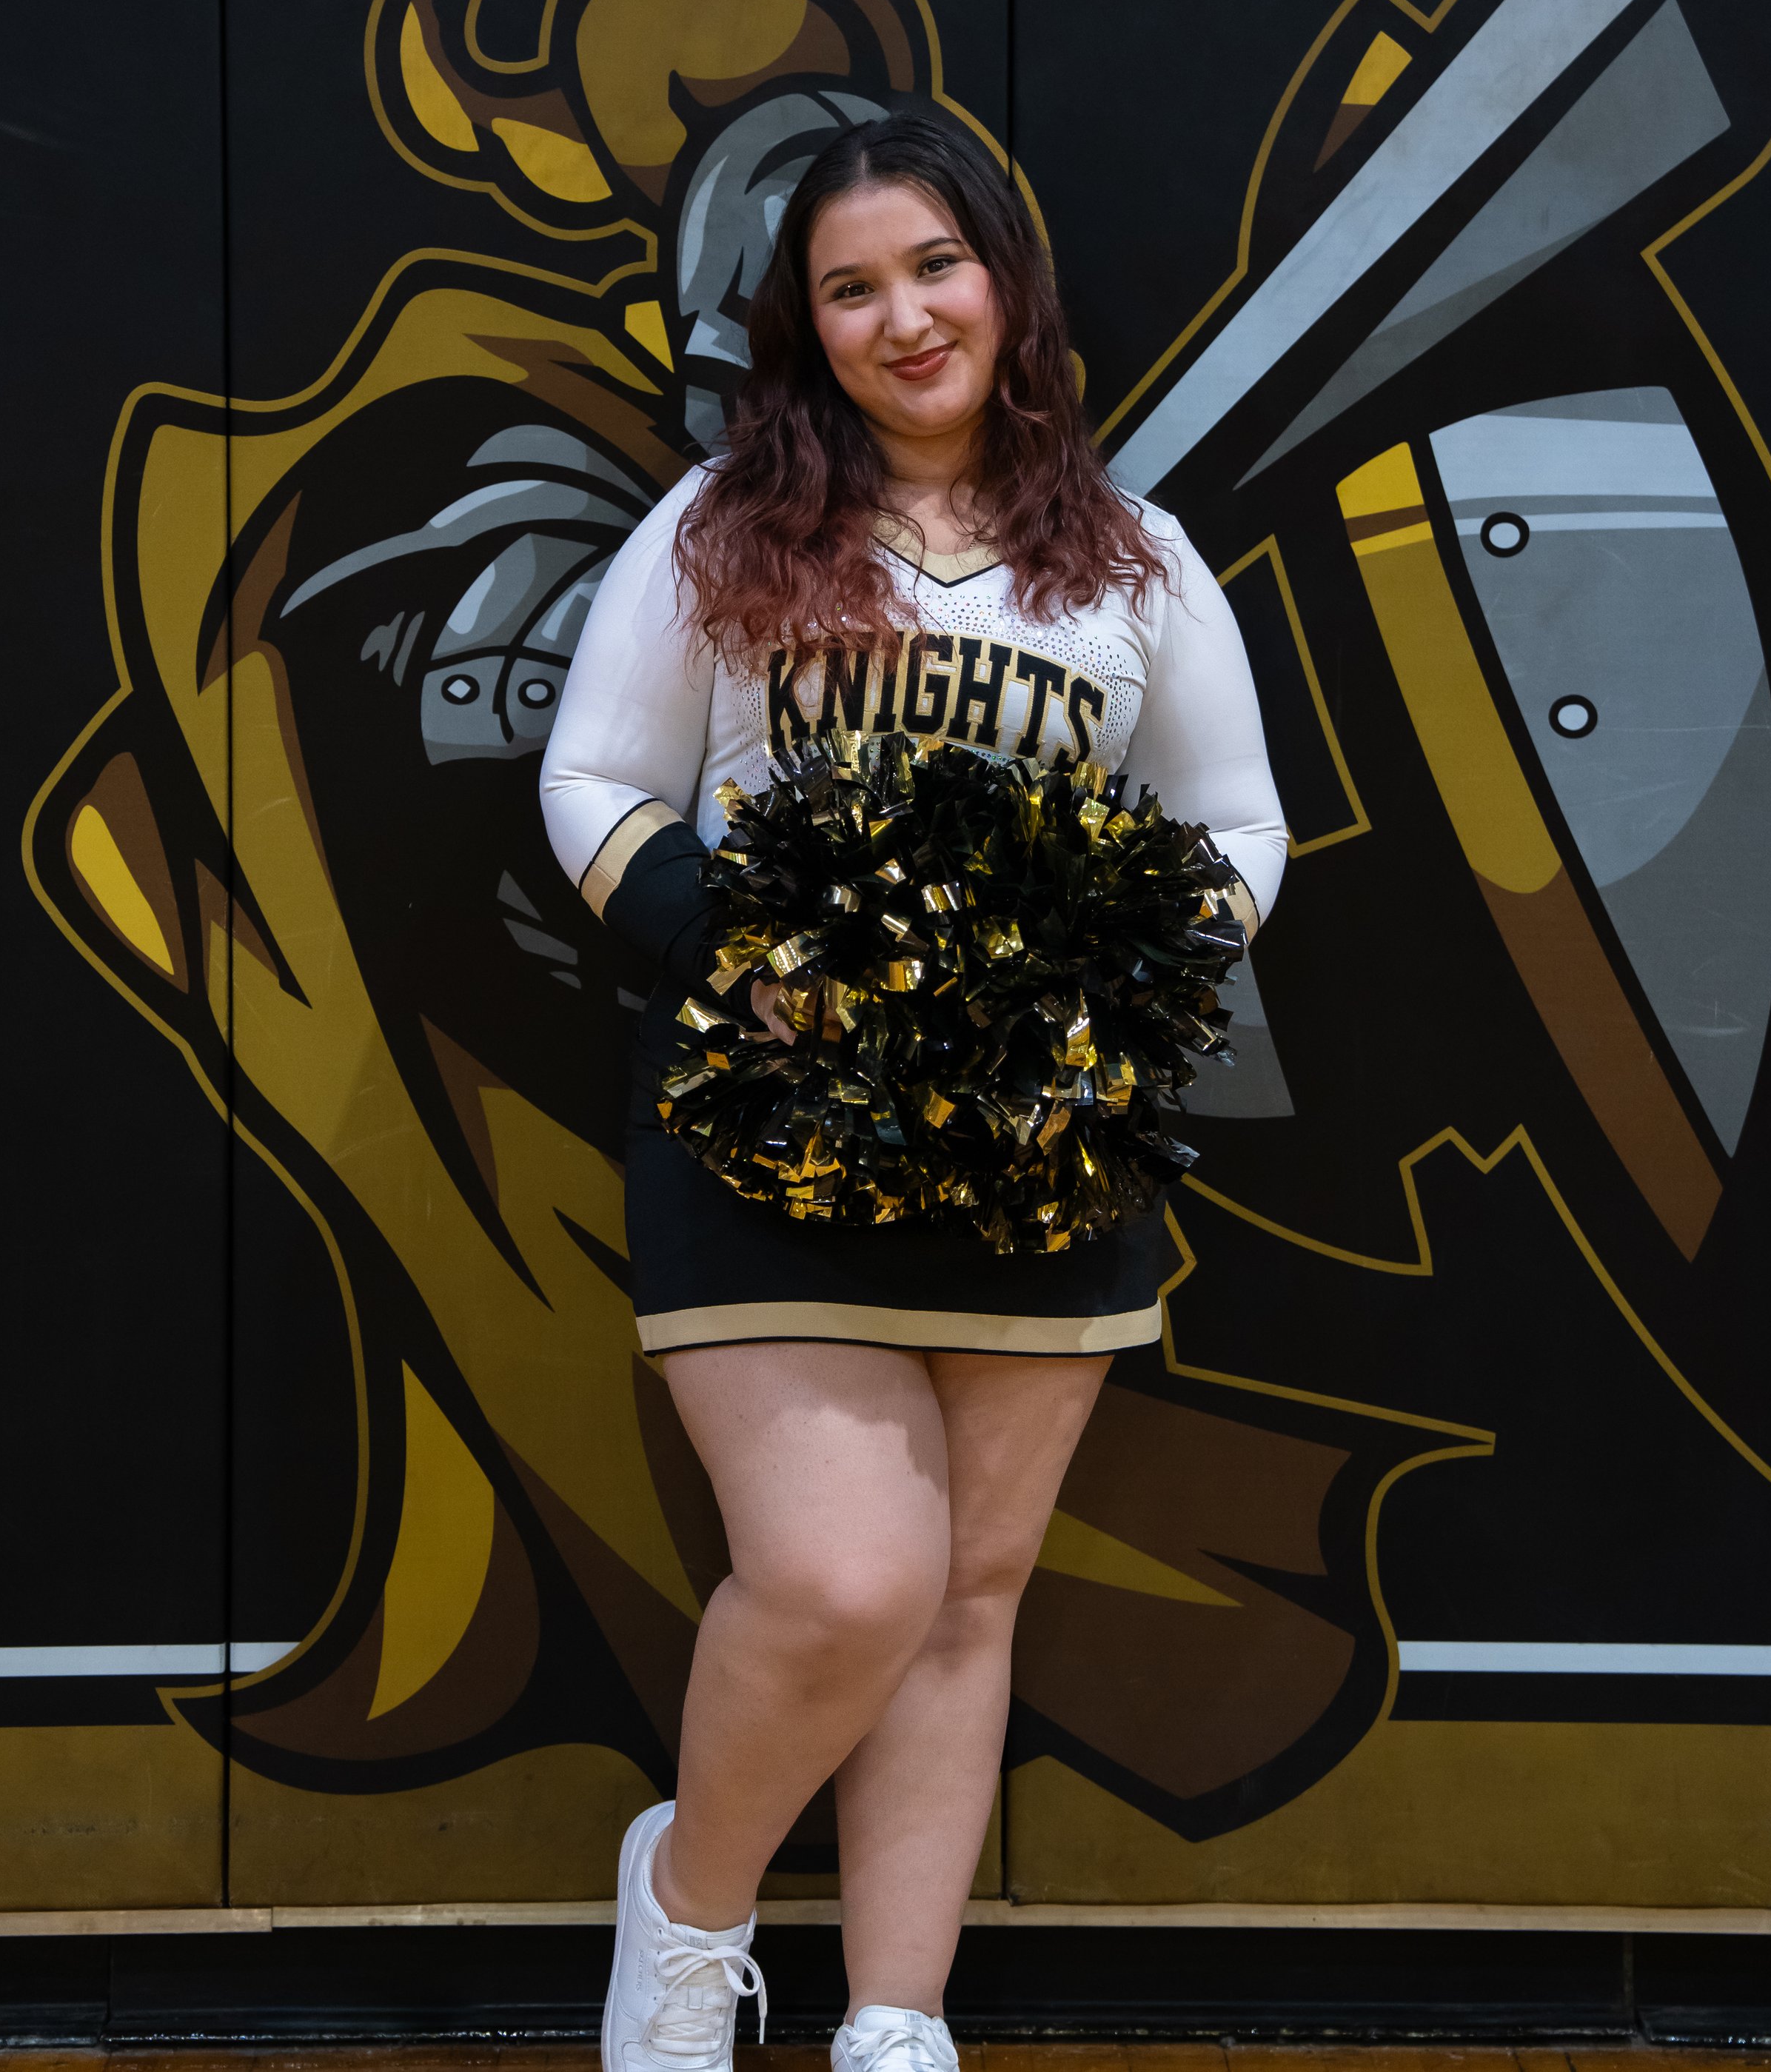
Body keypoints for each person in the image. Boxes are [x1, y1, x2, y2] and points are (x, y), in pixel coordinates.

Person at [540, 110, 1285, 2072]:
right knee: (843, 1579)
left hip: (1036, 1144)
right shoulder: (719, 531)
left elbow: (1236, 820)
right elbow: (592, 782)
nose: (904, 318)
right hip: (765, 1121)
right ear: (805, 327)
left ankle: (895, 2018)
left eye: (934, 267)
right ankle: (690, 1916)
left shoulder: (1131, 556)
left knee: (969, 1594)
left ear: (1003, 284)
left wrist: (1110, 977)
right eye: (850, 288)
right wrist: (764, 960)